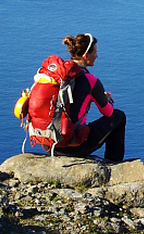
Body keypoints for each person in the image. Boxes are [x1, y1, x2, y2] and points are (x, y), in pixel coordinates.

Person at [44, 32, 126, 162]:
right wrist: (105, 99)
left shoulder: (56, 75)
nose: (97, 56)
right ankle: (114, 163)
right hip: (74, 146)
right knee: (119, 116)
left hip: (49, 143)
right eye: (95, 52)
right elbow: (108, 112)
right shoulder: (90, 81)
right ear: (86, 55)